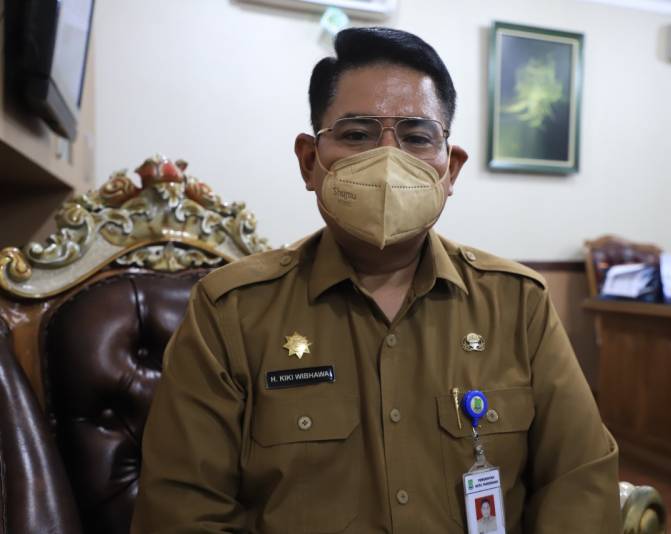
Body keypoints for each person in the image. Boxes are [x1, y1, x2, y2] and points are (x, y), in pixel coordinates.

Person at [132, 27, 621, 534]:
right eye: (357, 135)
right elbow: (183, 508)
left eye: (417, 137)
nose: (389, 159)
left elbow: (579, 479)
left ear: (450, 170)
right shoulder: (231, 312)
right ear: (310, 161)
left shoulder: (518, 304)